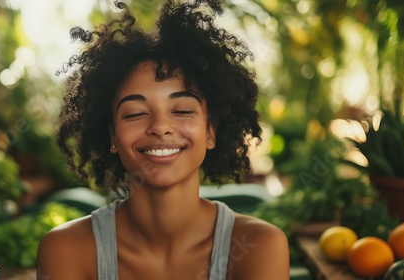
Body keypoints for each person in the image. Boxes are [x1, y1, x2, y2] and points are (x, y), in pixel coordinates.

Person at [37, 0, 289, 279]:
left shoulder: (259, 247)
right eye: (135, 113)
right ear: (112, 136)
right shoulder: (65, 250)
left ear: (210, 132)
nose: (160, 127)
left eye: (181, 110)